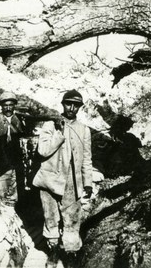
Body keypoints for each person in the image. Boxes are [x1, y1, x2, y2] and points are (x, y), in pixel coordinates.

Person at [32, 89, 93, 268]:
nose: (71, 108)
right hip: (50, 180)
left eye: (76, 105)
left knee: (72, 219)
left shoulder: (84, 130)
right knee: (50, 217)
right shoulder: (50, 126)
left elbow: (87, 158)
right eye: (68, 104)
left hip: (72, 183)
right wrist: (59, 133)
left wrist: (87, 182)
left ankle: (71, 254)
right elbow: (43, 151)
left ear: (80, 108)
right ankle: (53, 252)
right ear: (62, 104)